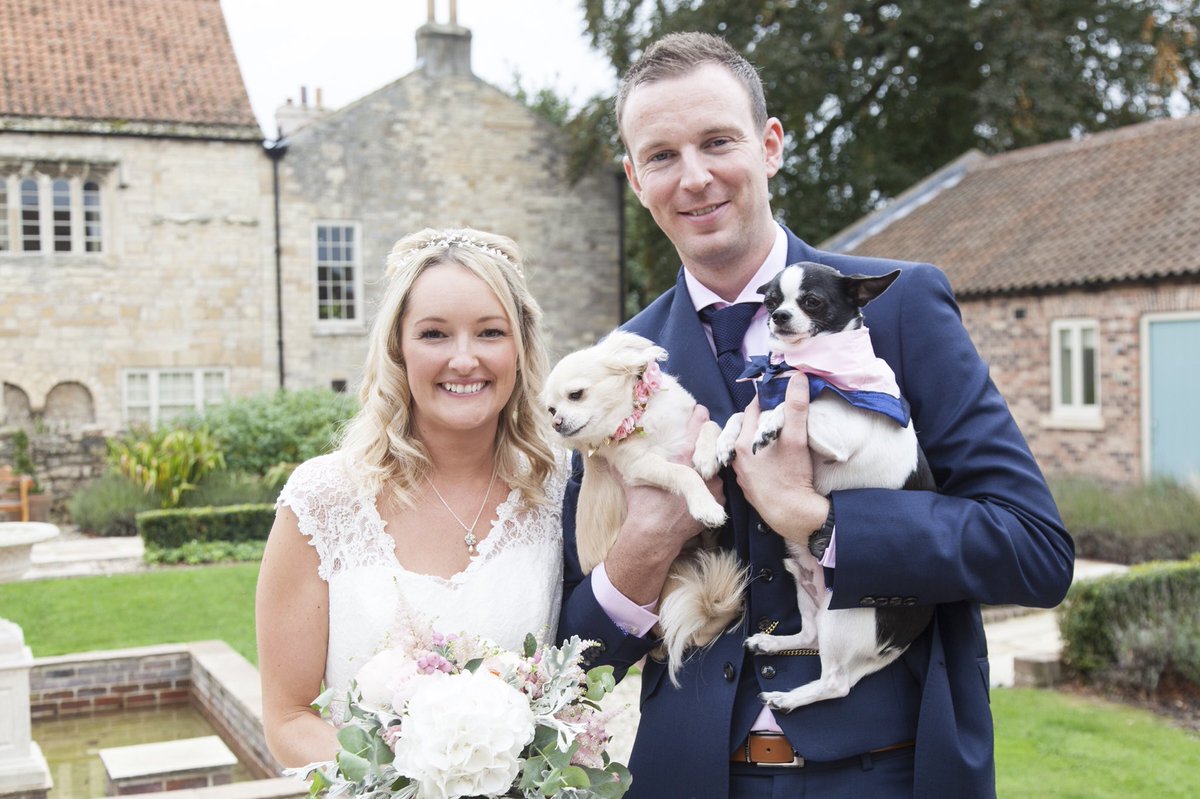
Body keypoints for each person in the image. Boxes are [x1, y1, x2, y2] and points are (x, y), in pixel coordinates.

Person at [557, 32, 1075, 798]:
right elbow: (574, 654)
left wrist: (820, 521)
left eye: (717, 141)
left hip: (888, 775)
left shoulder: (900, 305)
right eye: (662, 155)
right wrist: (646, 541)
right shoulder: (616, 364)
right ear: (635, 179)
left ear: (770, 146)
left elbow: (1034, 550)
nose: (694, 176)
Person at [256, 228, 566, 767]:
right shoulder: (321, 500)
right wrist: (417, 777)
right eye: (434, 334)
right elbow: (288, 718)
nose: (464, 359)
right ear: (397, 348)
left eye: (490, 332)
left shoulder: (562, 486)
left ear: (520, 347)